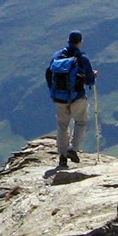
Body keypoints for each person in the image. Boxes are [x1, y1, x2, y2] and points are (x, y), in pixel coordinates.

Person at [45, 31, 97, 167]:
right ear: (80, 42)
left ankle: (62, 155)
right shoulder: (82, 58)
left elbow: (49, 74)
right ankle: (73, 150)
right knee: (81, 122)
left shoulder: (57, 56)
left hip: (59, 98)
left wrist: (53, 92)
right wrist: (93, 75)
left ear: (68, 41)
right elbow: (89, 81)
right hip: (77, 98)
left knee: (62, 125)